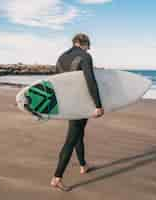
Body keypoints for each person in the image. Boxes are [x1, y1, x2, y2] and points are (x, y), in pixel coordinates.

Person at [50, 33, 104, 191]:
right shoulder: (85, 56)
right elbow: (90, 81)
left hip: (68, 102)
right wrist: (98, 105)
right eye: (88, 46)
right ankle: (56, 178)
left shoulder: (60, 58)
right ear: (84, 43)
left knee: (78, 133)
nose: (89, 49)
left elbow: (57, 82)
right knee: (71, 139)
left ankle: (83, 165)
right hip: (81, 102)